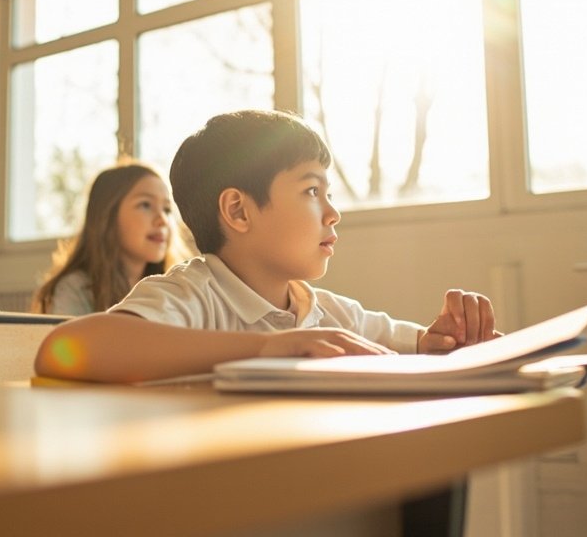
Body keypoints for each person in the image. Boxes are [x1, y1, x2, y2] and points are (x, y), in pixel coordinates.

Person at [35, 109, 500, 383]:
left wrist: (444, 341)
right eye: (312, 191)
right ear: (238, 210)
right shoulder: (192, 294)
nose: (333, 213)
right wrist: (267, 346)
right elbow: (63, 348)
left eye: (329, 193)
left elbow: (420, 347)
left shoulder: (329, 313)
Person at [31, 162, 189, 316]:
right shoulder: (74, 289)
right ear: (107, 216)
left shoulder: (176, 290)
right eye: (145, 205)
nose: (163, 220)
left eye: (167, 209)